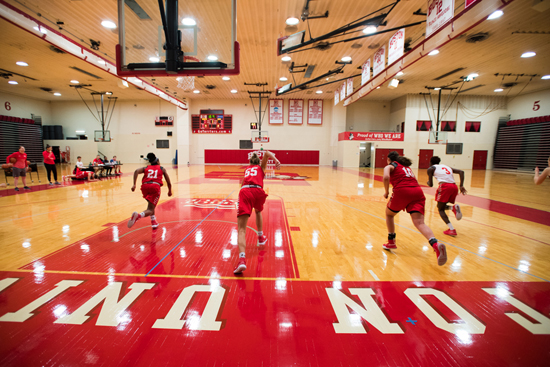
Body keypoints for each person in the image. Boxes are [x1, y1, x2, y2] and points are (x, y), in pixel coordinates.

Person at [382, 151, 447, 266]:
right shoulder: (406, 167)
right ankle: (435, 244)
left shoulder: (390, 166)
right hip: (417, 192)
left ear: (388, 159)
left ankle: (391, 241)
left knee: (389, 214)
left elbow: (386, 176)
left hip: (402, 190)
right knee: (420, 223)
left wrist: (386, 191)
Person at [234, 150, 281, 274]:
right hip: (258, 191)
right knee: (258, 211)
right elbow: (266, 153)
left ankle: (242, 260)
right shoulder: (261, 167)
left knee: (242, 229)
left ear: (249, 162)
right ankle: (260, 236)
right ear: (259, 162)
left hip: (245, 191)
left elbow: (242, 184)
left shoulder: (247, 170)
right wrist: (275, 160)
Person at [127, 153, 172, 229]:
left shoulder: (146, 167)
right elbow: (169, 182)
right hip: (154, 187)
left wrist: (134, 184)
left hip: (144, 187)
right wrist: (169, 191)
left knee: (151, 205)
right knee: (150, 209)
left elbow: (136, 171)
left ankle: (153, 222)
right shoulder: (161, 168)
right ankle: (138, 216)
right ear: (157, 161)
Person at [426, 156, 467, 236]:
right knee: (441, 206)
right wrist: (461, 185)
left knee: (440, 210)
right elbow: (461, 172)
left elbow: (430, 184)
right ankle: (453, 208)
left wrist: (428, 182)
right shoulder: (446, 167)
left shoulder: (431, 169)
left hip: (445, 187)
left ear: (430, 162)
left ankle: (452, 229)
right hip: (454, 187)